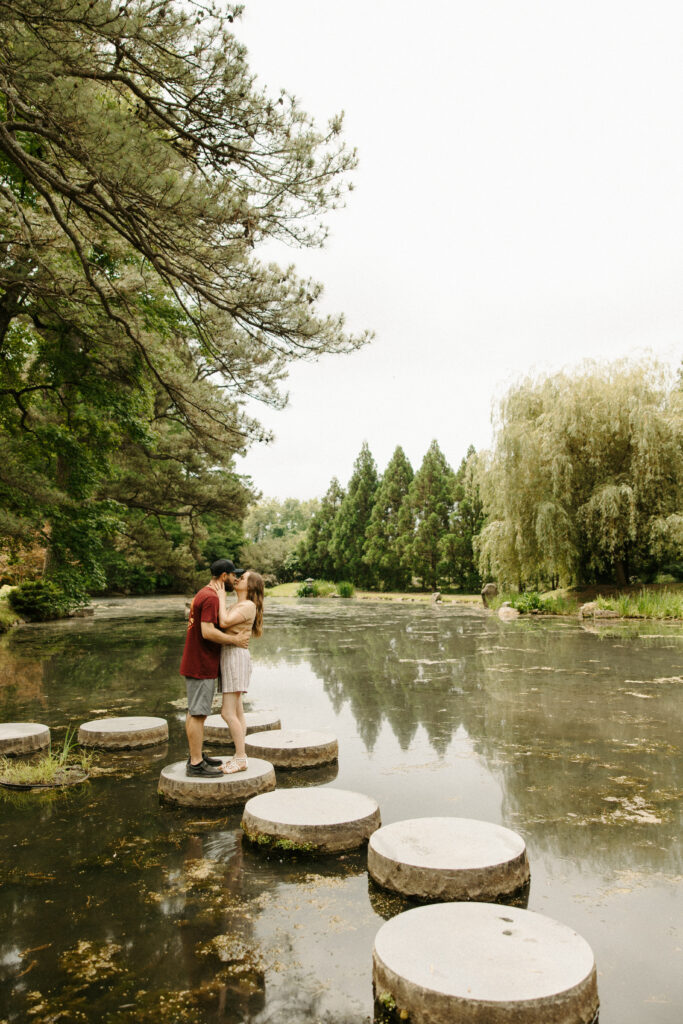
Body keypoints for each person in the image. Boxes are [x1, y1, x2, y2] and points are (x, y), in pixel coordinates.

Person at [179, 558, 251, 777]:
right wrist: (235, 641)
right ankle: (196, 763)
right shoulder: (210, 597)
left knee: (195, 712)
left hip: (198, 661)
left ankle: (197, 755)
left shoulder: (204, 594)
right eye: (233, 575)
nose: (235, 579)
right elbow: (207, 632)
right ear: (223, 576)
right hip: (201, 663)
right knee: (198, 713)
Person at [215, 569, 265, 774]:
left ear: (250, 586)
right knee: (237, 711)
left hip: (235, 657)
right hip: (231, 655)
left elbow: (224, 622)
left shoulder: (248, 605)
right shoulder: (239, 605)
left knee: (227, 713)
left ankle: (241, 758)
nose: (237, 579)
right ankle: (238, 755)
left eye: (242, 578)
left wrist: (219, 596)